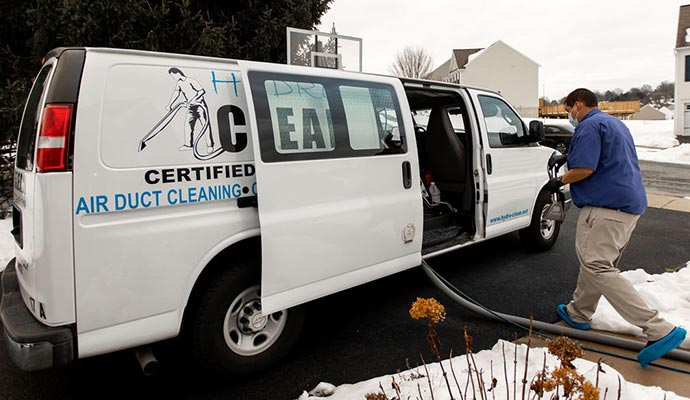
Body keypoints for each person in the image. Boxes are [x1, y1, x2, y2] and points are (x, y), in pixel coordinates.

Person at [545, 88, 686, 368]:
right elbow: (603, 159)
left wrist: (559, 180)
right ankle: (579, 312)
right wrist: (568, 159)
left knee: (597, 265)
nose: (569, 115)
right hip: (628, 206)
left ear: (579, 105)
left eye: (568, 110)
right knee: (596, 262)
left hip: (606, 208)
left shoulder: (588, 126)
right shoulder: (613, 123)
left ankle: (659, 329)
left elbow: (585, 169)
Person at [166, 67, 214, 152]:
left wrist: (192, 100)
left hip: (200, 106)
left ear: (178, 73)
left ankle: (210, 145)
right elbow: (176, 92)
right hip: (191, 108)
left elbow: (201, 91)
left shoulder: (191, 81)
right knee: (188, 126)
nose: (173, 78)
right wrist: (170, 104)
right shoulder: (179, 83)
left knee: (205, 125)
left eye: (173, 76)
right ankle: (188, 145)